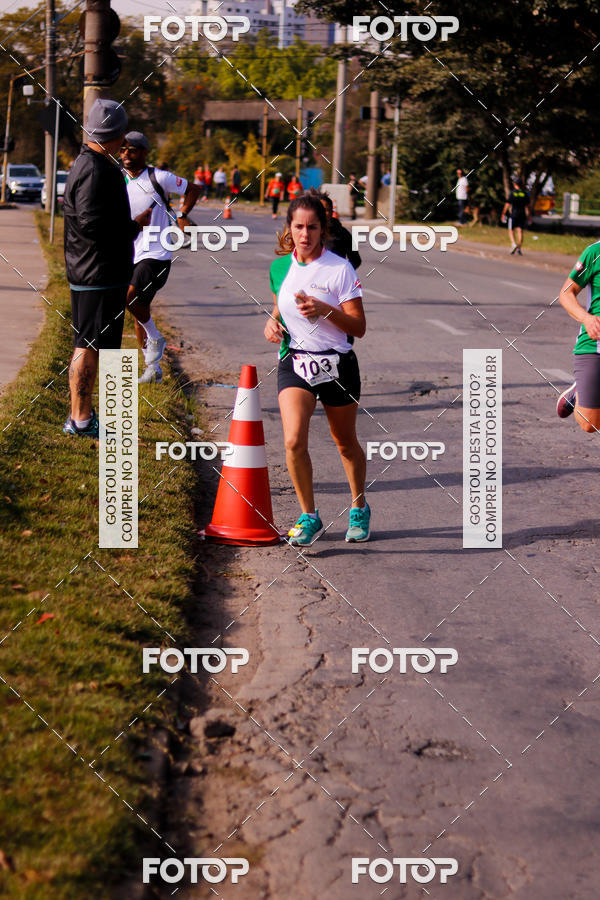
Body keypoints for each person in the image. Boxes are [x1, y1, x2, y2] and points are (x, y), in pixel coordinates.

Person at [264, 193, 370, 545]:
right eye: (298, 227)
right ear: (289, 229)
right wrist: (271, 323)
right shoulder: (279, 268)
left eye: (311, 227)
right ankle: (309, 515)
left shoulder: (340, 269)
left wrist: (324, 309)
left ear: (323, 230)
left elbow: (358, 327)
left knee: (345, 443)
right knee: (293, 440)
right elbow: (282, 304)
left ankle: (359, 507)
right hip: (295, 361)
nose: (304, 234)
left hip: (337, 363)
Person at [62, 100, 152, 437]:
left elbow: (96, 221)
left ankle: (92, 418)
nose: (124, 145)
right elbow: (90, 223)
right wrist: (128, 229)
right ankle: (81, 420)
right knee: (88, 344)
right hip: (96, 274)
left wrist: (129, 226)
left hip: (98, 272)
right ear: (113, 136)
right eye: (122, 138)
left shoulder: (92, 165)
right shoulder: (96, 169)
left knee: (102, 346)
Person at [120, 131, 201, 383]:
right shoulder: (118, 179)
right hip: (128, 253)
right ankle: (152, 369)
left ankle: (155, 337)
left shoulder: (159, 177)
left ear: (144, 153)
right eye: (122, 150)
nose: (125, 154)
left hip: (156, 253)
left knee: (130, 297)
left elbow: (193, 189)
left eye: (131, 150)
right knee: (138, 309)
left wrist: (183, 213)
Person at [556, 241, 600, 433]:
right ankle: (578, 392)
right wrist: (587, 319)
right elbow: (566, 293)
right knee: (590, 424)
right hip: (595, 343)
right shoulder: (595, 252)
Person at [310, 188, 361, 270]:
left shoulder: (343, 233)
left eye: (326, 210)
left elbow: (356, 260)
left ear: (331, 212)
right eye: (319, 210)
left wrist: (342, 273)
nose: (323, 213)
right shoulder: (307, 233)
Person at [501, 177, 530, 255]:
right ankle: (519, 248)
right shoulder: (525, 193)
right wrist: (529, 216)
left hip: (514, 214)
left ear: (514, 184)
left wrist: (503, 213)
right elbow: (527, 206)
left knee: (511, 230)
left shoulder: (512, 193)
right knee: (520, 231)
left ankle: (513, 244)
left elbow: (507, 204)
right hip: (522, 214)